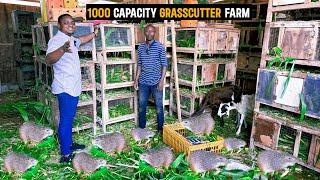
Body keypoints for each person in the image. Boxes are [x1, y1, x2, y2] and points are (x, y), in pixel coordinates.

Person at [45, 14, 98, 163]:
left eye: (72, 23)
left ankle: (69, 144)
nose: (71, 25)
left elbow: (82, 40)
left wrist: (94, 33)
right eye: (66, 23)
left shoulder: (71, 40)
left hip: (72, 87)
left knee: (70, 119)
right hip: (64, 87)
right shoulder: (56, 41)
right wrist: (62, 49)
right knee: (66, 120)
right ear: (59, 25)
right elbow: (48, 59)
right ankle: (66, 154)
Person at [134, 24, 167, 134]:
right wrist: (136, 79)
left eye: (151, 31)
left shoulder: (160, 47)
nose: (149, 33)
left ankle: (160, 130)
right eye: (147, 31)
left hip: (156, 82)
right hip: (143, 82)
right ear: (144, 33)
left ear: (155, 33)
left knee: (159, 106)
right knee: (142, 106)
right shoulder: (141, 47)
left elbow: (164, 65)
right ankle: (142, 129)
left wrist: (162, 81)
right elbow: (139, 65)